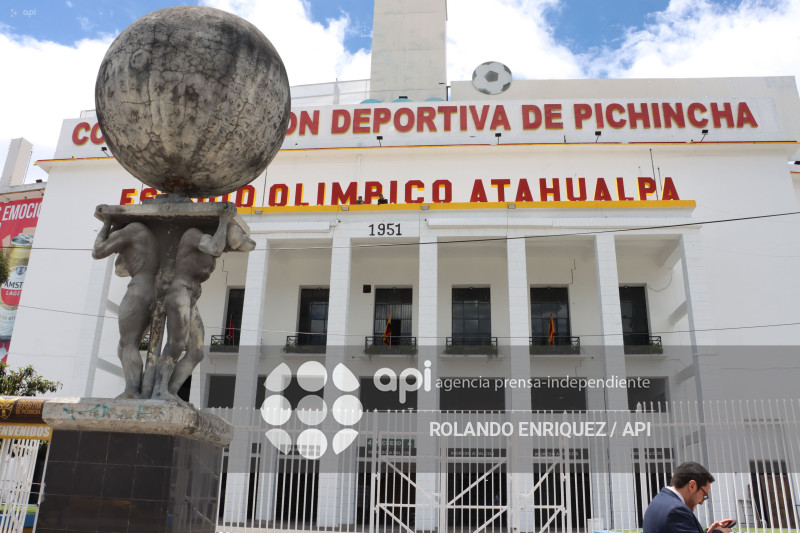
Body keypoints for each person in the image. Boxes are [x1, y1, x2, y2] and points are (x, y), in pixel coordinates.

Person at [151, 208, 256, 400]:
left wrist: (238, 236)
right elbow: (215, 247)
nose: (227, 248)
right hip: (179, 293)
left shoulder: (213, 245)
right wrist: (224, 220)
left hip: (191, 298)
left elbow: (249, 246)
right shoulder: (193, 235)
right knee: (176, 343)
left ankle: (170, 391)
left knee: (197, 352)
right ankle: (159, 390)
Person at [92, 215, 159, 399]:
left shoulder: (129, 232)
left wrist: (106, 224)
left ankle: (132, 391)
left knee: (128, 344)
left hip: (139, 288)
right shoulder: (146, 235)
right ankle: (137, 388)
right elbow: (120, 269)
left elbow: (98, 251)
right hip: (153, 288)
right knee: (124, 347)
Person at [643, 461, 734, 533]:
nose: (701, 502)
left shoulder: (660, 500)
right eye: (704, 495)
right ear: (692, 486)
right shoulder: (676, 510)